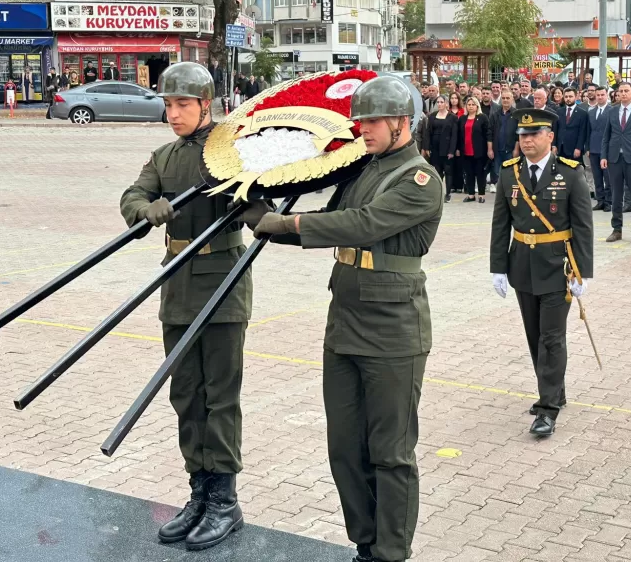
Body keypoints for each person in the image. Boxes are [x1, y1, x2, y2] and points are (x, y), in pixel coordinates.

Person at [254, 76, 443, 562]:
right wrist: (261, 217)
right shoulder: (363, 171)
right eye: (360, 121)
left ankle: (391, 553)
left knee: (391, 453)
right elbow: (329, 217)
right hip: (345, 321)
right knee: (344, 447)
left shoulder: (419, 180)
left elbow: (362, 224)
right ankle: (365, 542)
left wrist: (288, 222)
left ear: (402, 122)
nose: (364, 129)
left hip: (393, 329)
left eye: (373, 120)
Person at [120, 63, 268, 551]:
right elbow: (134, 194)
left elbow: (262, 201)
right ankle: (199, 492)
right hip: (178, 284)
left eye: (183, 104)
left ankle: (224, 500)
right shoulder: (164, 156)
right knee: (185, 394)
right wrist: (145, 210)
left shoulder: (231, 150)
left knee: (219, 395)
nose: (173, 113)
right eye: (168, 104)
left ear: (206, 104)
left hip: (223, 280)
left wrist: (253, 201)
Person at [489, 108, 593, 437]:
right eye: (522, 135)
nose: (527, 140)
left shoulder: (570, 173)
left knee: (552, 338)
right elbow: (500, 224)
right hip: (522, 265)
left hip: (558, 267)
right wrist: (498, 268)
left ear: (550, 137)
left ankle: (547, 408)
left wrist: (582, 272)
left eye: (534, 134)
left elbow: (583, 226)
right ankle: (555, 391)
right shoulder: (509, 173)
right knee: (534, 336)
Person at [601, 81, 631, 245]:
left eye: (626, 91)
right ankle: (617, 230)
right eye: (620, 91)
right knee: (616, 196)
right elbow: (606, 136)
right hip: (614, 158)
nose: (623, 93)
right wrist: (603, 156)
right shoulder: (612, 111)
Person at [423, 95, 457, 202]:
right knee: (437, 171)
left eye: (442, 102)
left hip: (447, 148)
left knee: (448, 171)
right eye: (438, 102)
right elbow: (428, 132)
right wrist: (427, 147)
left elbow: (454, 135)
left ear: (446, 103)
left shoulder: (452, 117)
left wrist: (452, 151)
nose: (439, 104)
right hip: (435, 147)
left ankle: (448, 193)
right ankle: (438, 192)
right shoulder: (432, 116)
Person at [456, 96, 490, 203]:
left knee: (480, 173)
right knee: (469, 173)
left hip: (479, 151)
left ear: (477, 106)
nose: (470, 106)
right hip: (465, 151)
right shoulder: (462, 118)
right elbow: (458, 135)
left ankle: (481, 195)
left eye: (473, 104)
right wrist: (457, 148)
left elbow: (488, 134)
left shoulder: (483, 117)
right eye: (469, 105)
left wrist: (489, 149)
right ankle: (471, 195)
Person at [489, 89, 519, 191]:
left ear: (512, 99)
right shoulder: (495, 114)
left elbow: (518, 134)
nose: (505, 100)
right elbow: (490, 133)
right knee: (497, 171)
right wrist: (490, 149)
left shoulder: (517, 114)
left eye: (508, 98)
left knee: (510, 171)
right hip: (497, 149)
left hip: (510, 149)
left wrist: (516, 149)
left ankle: (508, 190)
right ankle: (499, 189)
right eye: (503, 98)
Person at [587, 88, 611, 211]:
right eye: (598, 95)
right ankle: (600, 200)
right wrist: (587, 147)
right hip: (593, 148)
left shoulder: (612, 111)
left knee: (608, 177)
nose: (600, 97)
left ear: (607, 95)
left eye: (602, 95)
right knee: (597, 177)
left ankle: (608, 202)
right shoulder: (591, 112)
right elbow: (588, 131)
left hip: (607, 149)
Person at [556, 87, 588, 165]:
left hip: (574, 149)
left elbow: (582, 132)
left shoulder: (582, 113)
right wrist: (554, 146)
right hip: (560, 149)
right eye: (566, 97)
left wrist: (578, 148)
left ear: (576, 97)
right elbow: (555, 129)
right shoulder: (559, 111)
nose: (568, 99)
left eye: (570, 96)